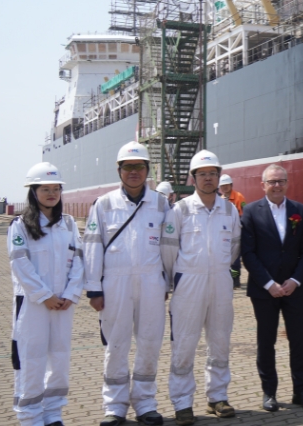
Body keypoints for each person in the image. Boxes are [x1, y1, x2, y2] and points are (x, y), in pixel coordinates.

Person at [83, 141, 173, 426]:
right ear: (119, 170)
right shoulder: (104, 204)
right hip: (115, 285)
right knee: (116, 345)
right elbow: (92, 245)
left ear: (148, 170)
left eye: (139, 167)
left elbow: (169, 247)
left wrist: (166, 283)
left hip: (151, 283)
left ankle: (146, 404)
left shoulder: (161, 204)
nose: (134, 172)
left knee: (150, 343)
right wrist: (94, 288)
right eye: (128, 167)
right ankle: (115, 407)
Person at [161, 150, 242, 425]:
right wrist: (177, 279)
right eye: (202, 174)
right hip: (189, 283)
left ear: (219, 177)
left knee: (220, 341)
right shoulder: (180, 210)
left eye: (213, 173)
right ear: (193, 178)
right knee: (184, 343)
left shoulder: (229, 210)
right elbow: (168, 250)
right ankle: (182, 403)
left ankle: (217, 396)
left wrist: (218, 268)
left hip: (220, 281)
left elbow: (234, 247)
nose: (208, 178)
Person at [9, 162, 83, 426]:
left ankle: (53, 414)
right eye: (45, 189)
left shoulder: (69, 224)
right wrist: (44, 295)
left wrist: (71, 294)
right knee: (31, 358)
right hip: (33, 305)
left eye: (56, 189)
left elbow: (79, 260)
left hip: (63, 304)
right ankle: (30, 417)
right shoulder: (20, 225)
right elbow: (19, 263)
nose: (52, 194)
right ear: (33, 192)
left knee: (59, 359)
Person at [240, 164, 303, 412]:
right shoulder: (251, 211)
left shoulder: (299, 210)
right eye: (272, 182)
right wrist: (268, 283)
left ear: (287, 183)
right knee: (266, 341)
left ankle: (301, 391)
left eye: (281, 181)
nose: (276, 186)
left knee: (299, 340)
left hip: (294, 289)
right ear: (263, 185)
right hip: (264, 290)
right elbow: (248, 253)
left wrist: (296, 280)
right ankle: (269, 392)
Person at [219, 174, 246, 288]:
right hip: (224, 230)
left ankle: (236, 279)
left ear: (231, 185)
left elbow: (244, 213)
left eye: (226, 185)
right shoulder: (220, 200)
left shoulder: (239, 197)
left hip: (236, 229)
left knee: (236, 256)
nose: (224, 187)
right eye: (222, 186)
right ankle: (229, 278)